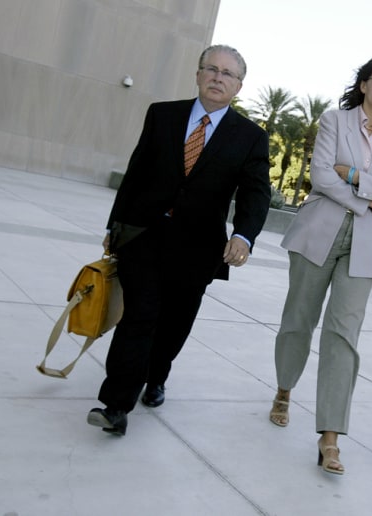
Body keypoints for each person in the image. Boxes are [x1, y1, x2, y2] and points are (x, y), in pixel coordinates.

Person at [86, 44, 271, 436]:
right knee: (139, 316)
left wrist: (243, 235)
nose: (218, 77)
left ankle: (156, 376)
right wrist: (114, 226)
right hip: (145, 236)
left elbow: (256, 193)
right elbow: (136, 173)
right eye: (211, 69)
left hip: (200, 246)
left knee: (175, 323)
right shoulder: (162, 114)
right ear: (198, 74)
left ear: (239, 86)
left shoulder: (250, 137)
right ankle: (115, 405)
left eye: (228, 73)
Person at [270, 56, 372, 475]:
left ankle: (329, 436)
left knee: (343, 335)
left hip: (365, 244)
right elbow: (320, 176)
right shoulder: (335, 120)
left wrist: (353, 177)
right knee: (299, 318)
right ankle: (283, 389)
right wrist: (371, 199)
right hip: (319, 231)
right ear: (364, 85)